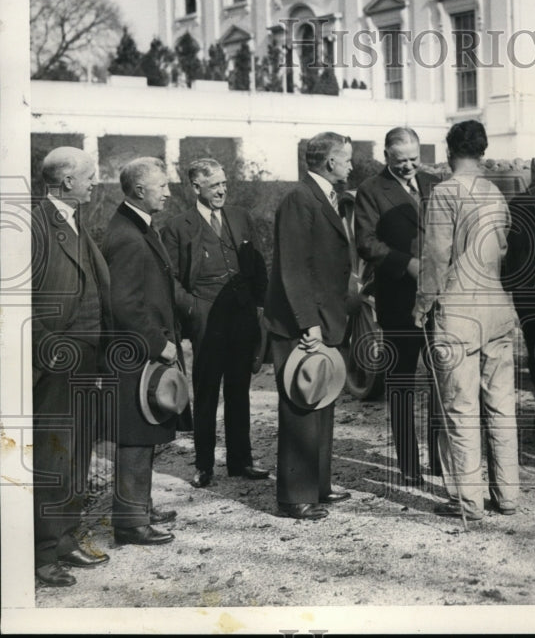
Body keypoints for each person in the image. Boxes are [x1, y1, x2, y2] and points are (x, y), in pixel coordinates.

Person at [413, 120, 519, 521]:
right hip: (497, 308)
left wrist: (422, 304)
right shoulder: (496, 192)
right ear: (483, 151)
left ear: (448, 151)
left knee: (460, 409)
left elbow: (437, 257)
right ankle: (507, 497)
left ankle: (468, 501)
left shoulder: (444, 193)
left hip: (458, 311)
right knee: (502, 406)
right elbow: (504, 247)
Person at [264, 132, 356, 520]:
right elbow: (294, 268)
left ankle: (317, 486)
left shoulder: (324, 198)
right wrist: (309, 323)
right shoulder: (299, 200)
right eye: (347, 159)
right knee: (301, 407)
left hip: (322, 319)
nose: (351, 166)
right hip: (302, 324)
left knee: (321, 400)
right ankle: (294, 497)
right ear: (330, 162)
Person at [161, 159, 269, 489]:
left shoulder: (240, 217)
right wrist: (193, 309)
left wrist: (260, 306)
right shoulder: (179, 227)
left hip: (241, 316)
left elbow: (259, 263)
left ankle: (241, 460)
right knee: (207, 393)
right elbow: (171, 280)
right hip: (206, 318)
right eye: (214, 185)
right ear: (196, 188)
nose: (222, 190)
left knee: (239, 392)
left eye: (224, 183)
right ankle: (204, 464)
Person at [31, 148, 112, 587]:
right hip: (56, 362)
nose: (95, 183)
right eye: (89, 177)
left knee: (78, 452)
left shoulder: (76, 220)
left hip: (88, 357)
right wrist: (49, 347)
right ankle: (43, 553)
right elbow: (18, 298)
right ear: (65, 181)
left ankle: (64, 539)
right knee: (52, 454)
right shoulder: (34, 225)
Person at [102, 157, 191, 546]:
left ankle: (141, 508)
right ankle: (131, 523)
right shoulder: (127, 236)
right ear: (140, 190)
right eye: (162, 186)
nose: (169, 193)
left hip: (143, 352)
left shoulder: (136, 226)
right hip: (137, 354)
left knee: (147, 431)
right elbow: (125, 305)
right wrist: (160, 344)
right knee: (136, 437)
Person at [354, 127, 442, 487]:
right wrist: (407, 263)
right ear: (386, 157)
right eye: (400, 161)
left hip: (438, 301)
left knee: (442, 382)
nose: (408, 167)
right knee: (402, 382)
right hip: (398, 301)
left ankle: (440, 459)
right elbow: (366, 242)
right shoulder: (371, 191)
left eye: (414, 159)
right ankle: (409, 463)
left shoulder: (434, 184)